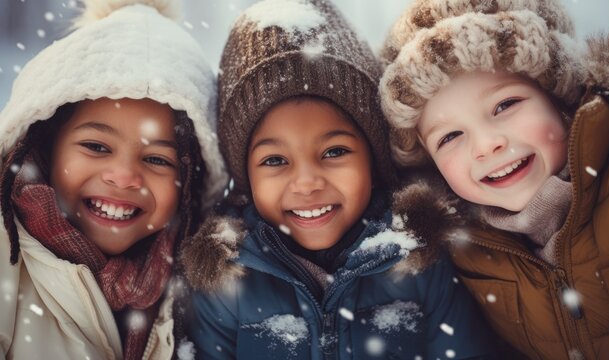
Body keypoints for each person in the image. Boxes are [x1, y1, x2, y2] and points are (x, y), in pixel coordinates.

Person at [181, 1, 497, 359]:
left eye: (334, 152)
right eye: (275, 160)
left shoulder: (420, 262)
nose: (307, 181)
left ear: (373, 158)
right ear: (245, 179)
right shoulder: (226, 284)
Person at [379, 0, 609, 358]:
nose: (487, 145)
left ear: (559, 99)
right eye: (450, 137)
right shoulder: (469, 251)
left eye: (505, 105)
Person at [0, 1, 228, 359]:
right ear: (46, 146)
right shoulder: (5, 260)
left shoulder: (202, 290)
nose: (123, 177)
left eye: (157, 159)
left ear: (190, 183)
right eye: (96, 146)